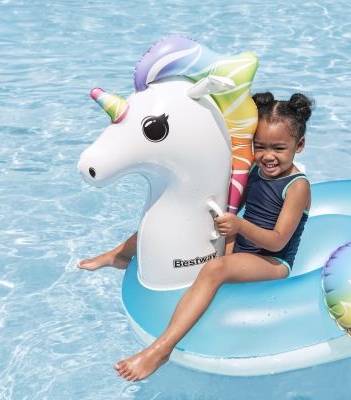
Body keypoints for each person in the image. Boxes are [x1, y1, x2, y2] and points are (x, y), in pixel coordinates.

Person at [78, 92, 314, 381]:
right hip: (242, 244)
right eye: (260, 146)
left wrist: (239, 228)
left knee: (216, 269)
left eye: (279, 148)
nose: (268, 156)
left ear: (299, 146)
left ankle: (161, 350)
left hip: (272, 260)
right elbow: (233, 202)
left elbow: (278, 240)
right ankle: (120, 254)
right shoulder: (256, 171)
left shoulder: (296, 186)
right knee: (178, 220)